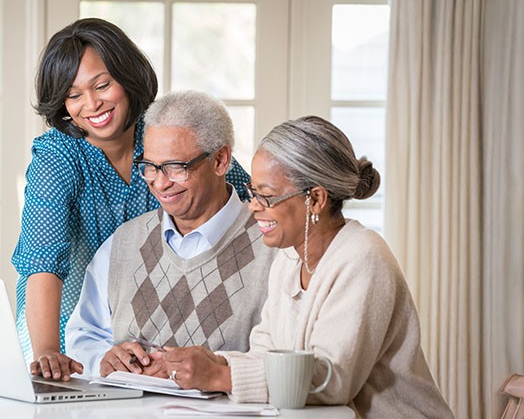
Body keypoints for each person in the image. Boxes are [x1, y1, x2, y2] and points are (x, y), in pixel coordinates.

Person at [152, 116, 453, 418]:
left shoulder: (364, 257)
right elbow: (265, 351)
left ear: (316, 200)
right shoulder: (291, 256)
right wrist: (212, 363)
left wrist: (219, 377)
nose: (253, 205)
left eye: (266, 196)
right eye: (253, 192)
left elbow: (333, 381)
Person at [12, 18, 251, 381]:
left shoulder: (160, 136)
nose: (91, 104)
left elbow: (237, 192)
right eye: (73, 95)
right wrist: (48, 351)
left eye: (102, 85)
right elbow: (43, 259)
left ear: (127, 76)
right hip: (70, 335)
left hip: (145, 331)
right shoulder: (58, 156)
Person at [64, 91, 275, 378]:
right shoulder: (124, 241)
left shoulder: (273, 247)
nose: (160, 184)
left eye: (176, 167)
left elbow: (284, 361)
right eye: (150, 167)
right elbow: (84, 333)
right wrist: (103, 358)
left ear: (220, 160)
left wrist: (212, 369)